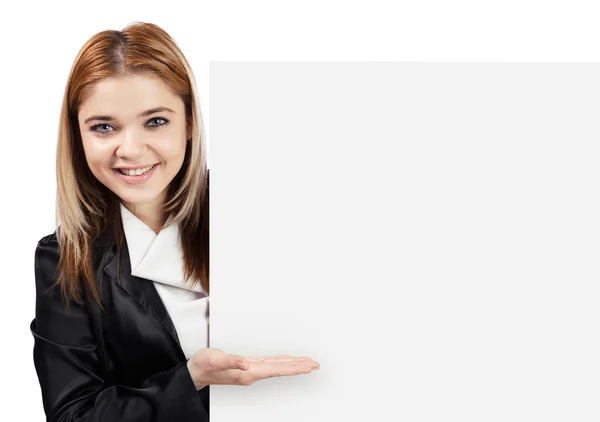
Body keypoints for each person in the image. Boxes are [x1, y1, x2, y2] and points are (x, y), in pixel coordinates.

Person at [30, 21, 320, 422]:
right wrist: (190, 379)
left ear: (188, 124)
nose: (130, 150)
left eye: (155, 121)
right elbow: (71, 416)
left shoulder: (268, 213)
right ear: (78, 135)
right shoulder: (65, 259)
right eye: (103, 127)